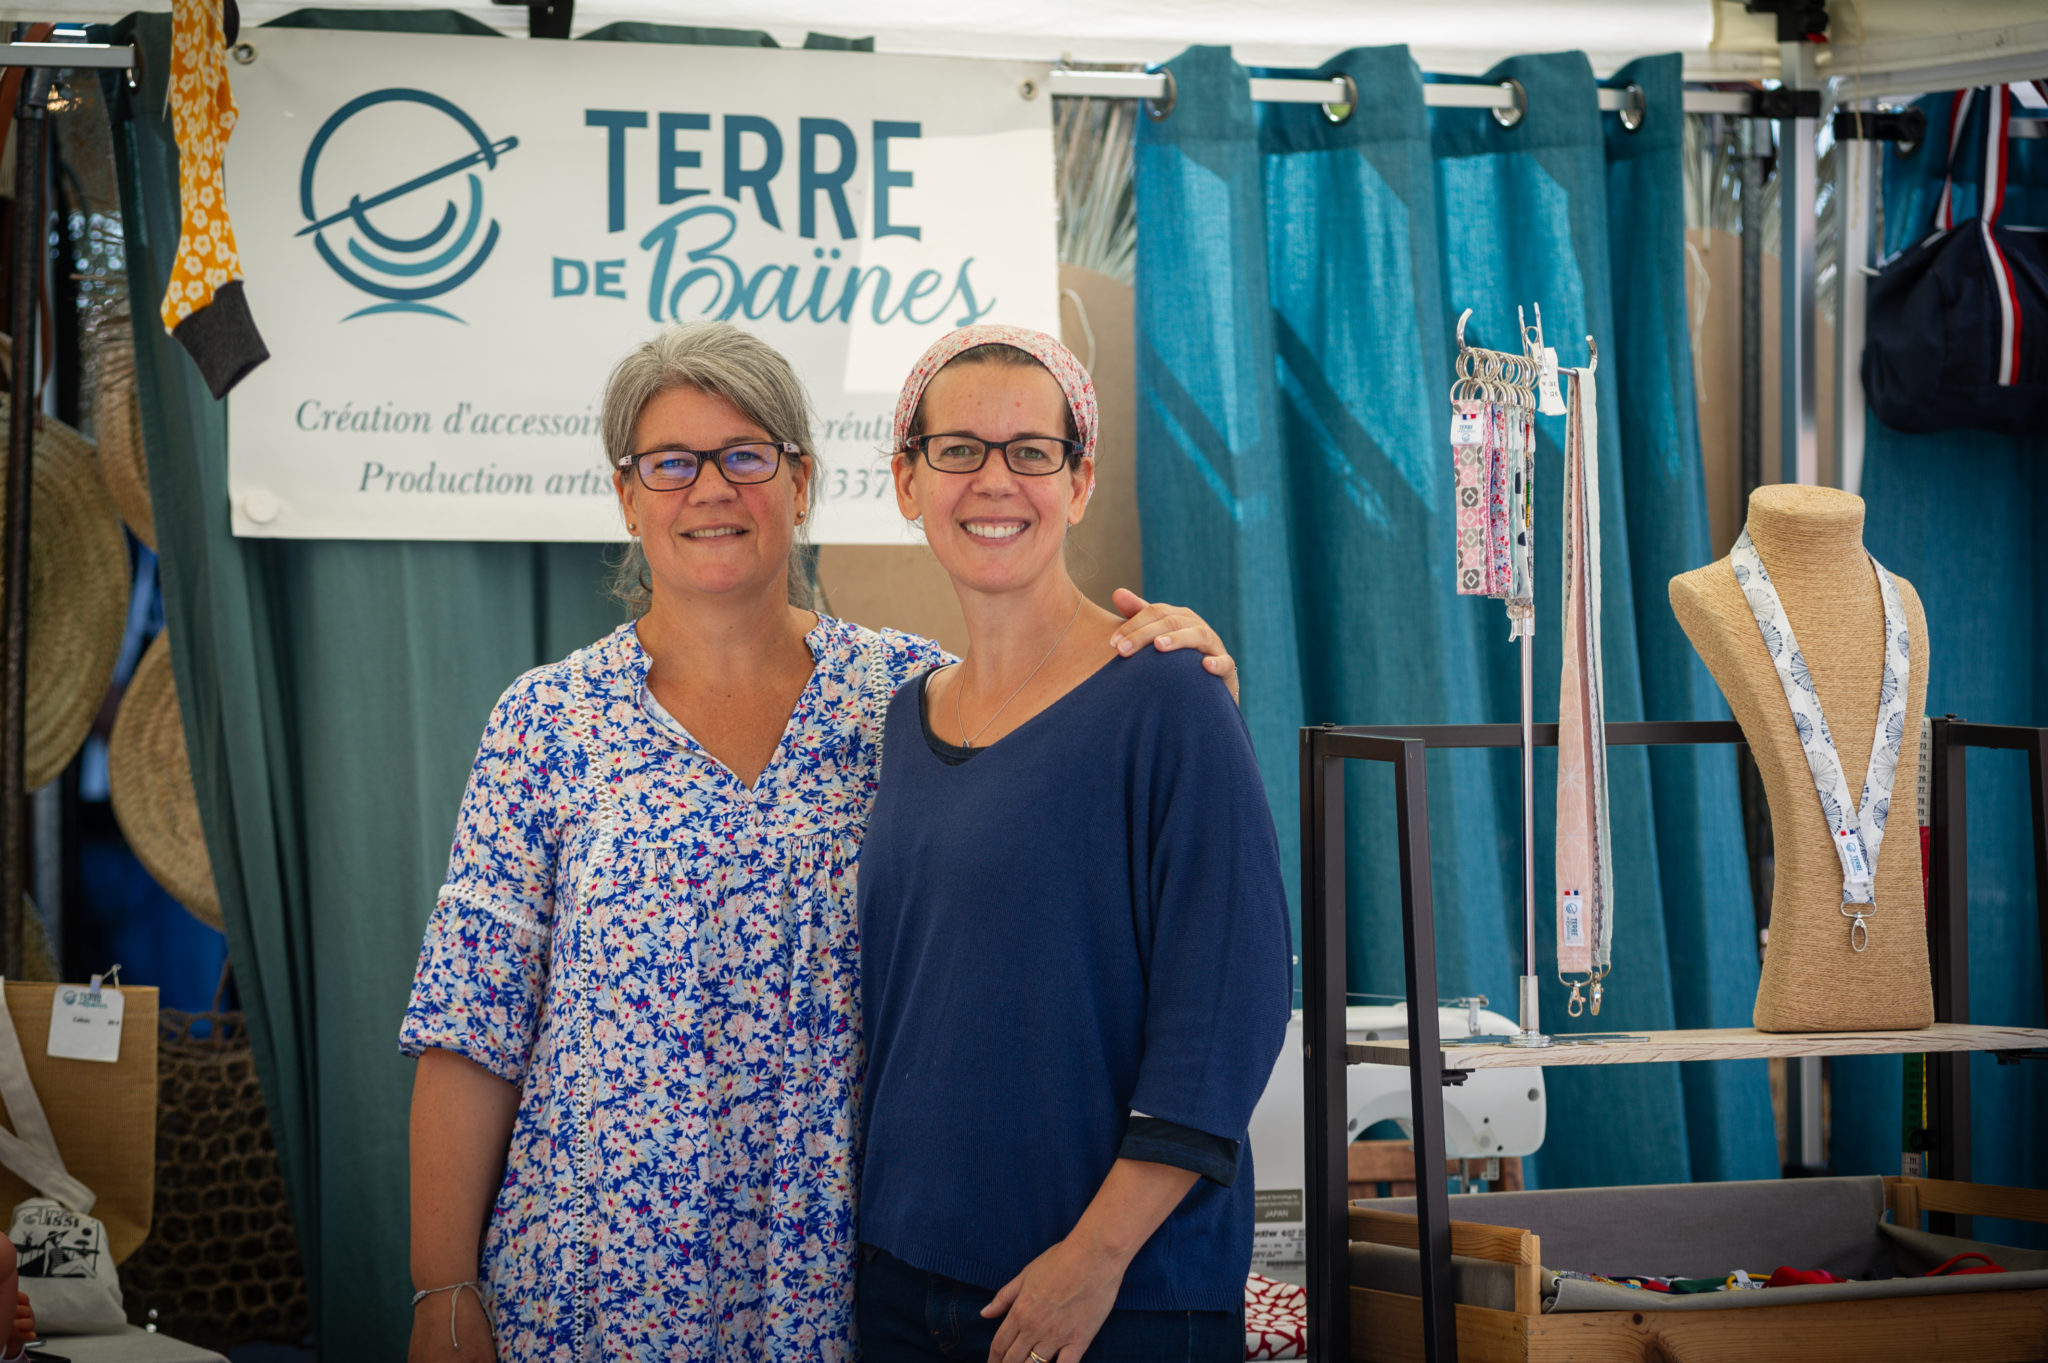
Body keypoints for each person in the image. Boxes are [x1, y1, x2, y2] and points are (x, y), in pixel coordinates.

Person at [399, 321, 1241, 1363]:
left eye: (746, 456)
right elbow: (468, 1025)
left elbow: (1087, 775)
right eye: (670, 462)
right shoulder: (546, 722)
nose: (710, 488)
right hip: (595, 1274)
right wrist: (442, 1286)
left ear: (800, 482)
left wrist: (1183, 667)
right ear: (626, 494)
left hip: (827, 1274)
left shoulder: (906, 693)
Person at [856, 326, 1292, 1363]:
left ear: (1079, 480)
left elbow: (1228, 1012)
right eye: (957, 449)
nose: (992, 480)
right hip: (903, 1286)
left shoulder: (1166, 697)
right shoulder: (902, 720)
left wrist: (1093, 1260)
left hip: (1110, 1298)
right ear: (907, 480)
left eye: (1031, 451)